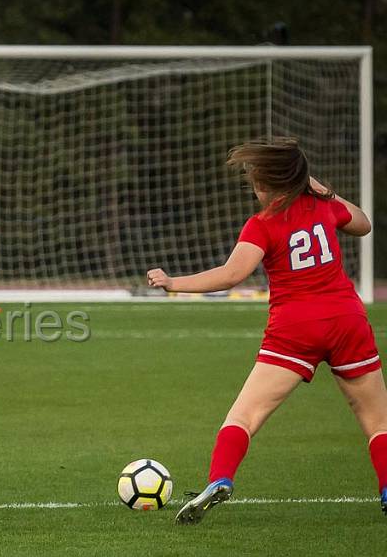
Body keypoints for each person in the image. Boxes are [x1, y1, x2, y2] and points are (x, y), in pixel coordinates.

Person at [146, 138, 387, 523]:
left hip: (295, 328)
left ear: (266, 184)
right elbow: (363, 224)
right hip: (347, 321)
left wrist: (173, 282)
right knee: (377, 421)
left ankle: (220, 478)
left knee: (244, 416)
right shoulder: (324, 207)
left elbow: (232, 274)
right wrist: (324, 190)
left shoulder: (263, 225)